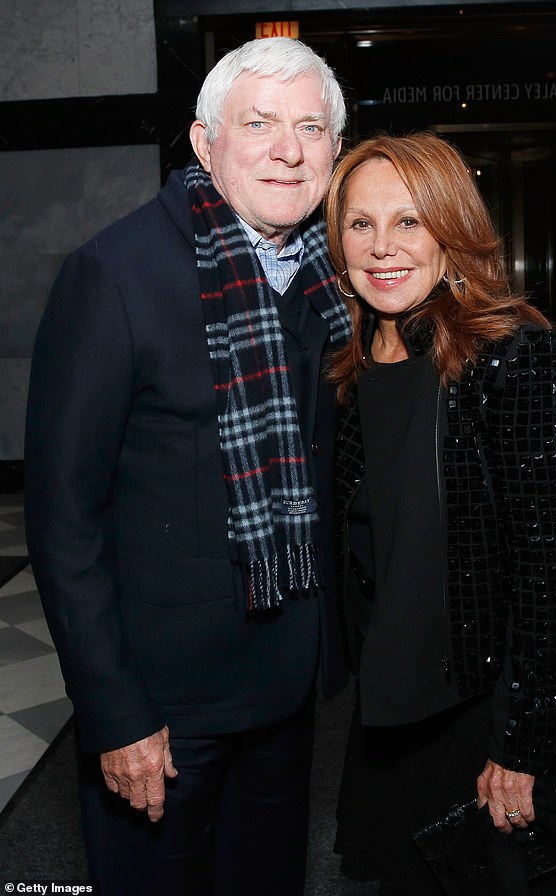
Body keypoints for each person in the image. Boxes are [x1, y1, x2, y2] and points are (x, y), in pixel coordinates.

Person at [24, 37, 350, 896]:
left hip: (285, 693)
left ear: (335, 152)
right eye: (261, 124)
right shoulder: (115, 275)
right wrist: (116, 712)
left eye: (312, 127)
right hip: (161, 705)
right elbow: (64, 519)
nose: (289, 147)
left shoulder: (334, 280)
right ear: (206, 145)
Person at [323, 132, 556, 895]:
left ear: (453, 232)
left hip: (474, 709)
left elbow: (548, 573)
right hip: (383, 710)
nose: (382, 247)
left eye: (409, 221)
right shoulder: (345, 366)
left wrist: (525, 744)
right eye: (360, 224)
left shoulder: (513, 355)